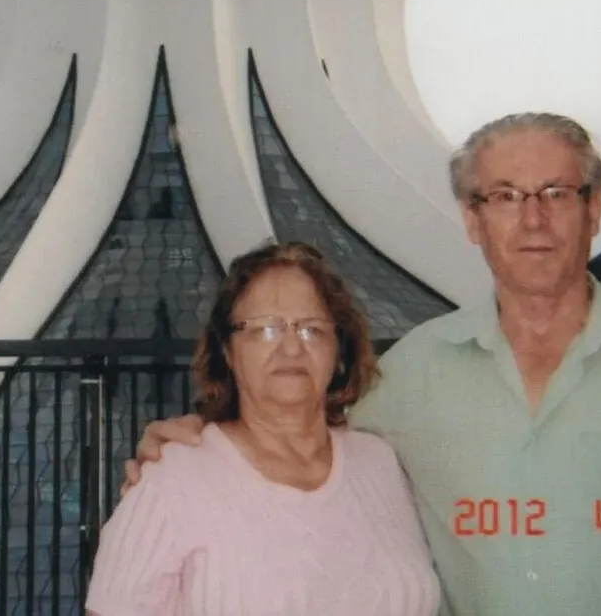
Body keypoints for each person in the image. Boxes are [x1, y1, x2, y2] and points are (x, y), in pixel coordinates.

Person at [122, 113, 601, 615]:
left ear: (594, 210)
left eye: (557, 192)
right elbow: (294, 431)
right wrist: (191, 437)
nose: (532, 218)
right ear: (471, 220)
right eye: (503, 196)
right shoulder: (411, 376)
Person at [85, 240, 441, 616]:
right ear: (227, 350)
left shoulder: (381, 464)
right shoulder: (172, 478)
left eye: (311, 329)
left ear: (339, 350)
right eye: (265, 330)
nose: (291, 348)